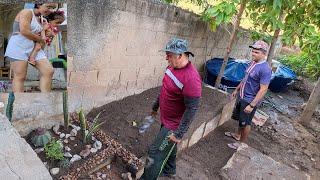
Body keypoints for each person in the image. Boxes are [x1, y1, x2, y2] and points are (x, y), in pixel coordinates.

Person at [141, 38, 202, 180]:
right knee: (169, 146)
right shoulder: (171, 68)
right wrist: (155, 107)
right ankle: (170, 170)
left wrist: (179, 134)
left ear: (180, 55)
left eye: (169, 54)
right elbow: (165, 89)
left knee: (155, 153)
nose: (166, 57)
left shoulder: (191, 79)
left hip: (174, 125)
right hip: (166, 117)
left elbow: (192, 109)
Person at [225, 40, 272, 150]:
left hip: (250, 99)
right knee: (241, 119)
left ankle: (241, 143)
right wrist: (236, 90)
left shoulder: (265, 69)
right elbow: (245, 79)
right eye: (253, 51)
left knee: (246, 123)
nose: (253, 54)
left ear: (264, 53)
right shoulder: (253, 63)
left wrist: (251, 105)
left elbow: (263, 89)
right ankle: (237, 135)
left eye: (256, 52)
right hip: (242, 95)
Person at [4, 3, 57, 92]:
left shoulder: (42, 19)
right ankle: (18, 103)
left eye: (53, 8)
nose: (51, 10)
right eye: (48, 7)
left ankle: (46, 99)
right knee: (20, 76)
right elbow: (24, 31)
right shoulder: (27, 12)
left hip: (33, 48)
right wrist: (40, 39)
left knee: (48, 71)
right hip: (18, 47)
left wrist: (46, 34)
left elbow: (44, 36)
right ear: (39, 4)